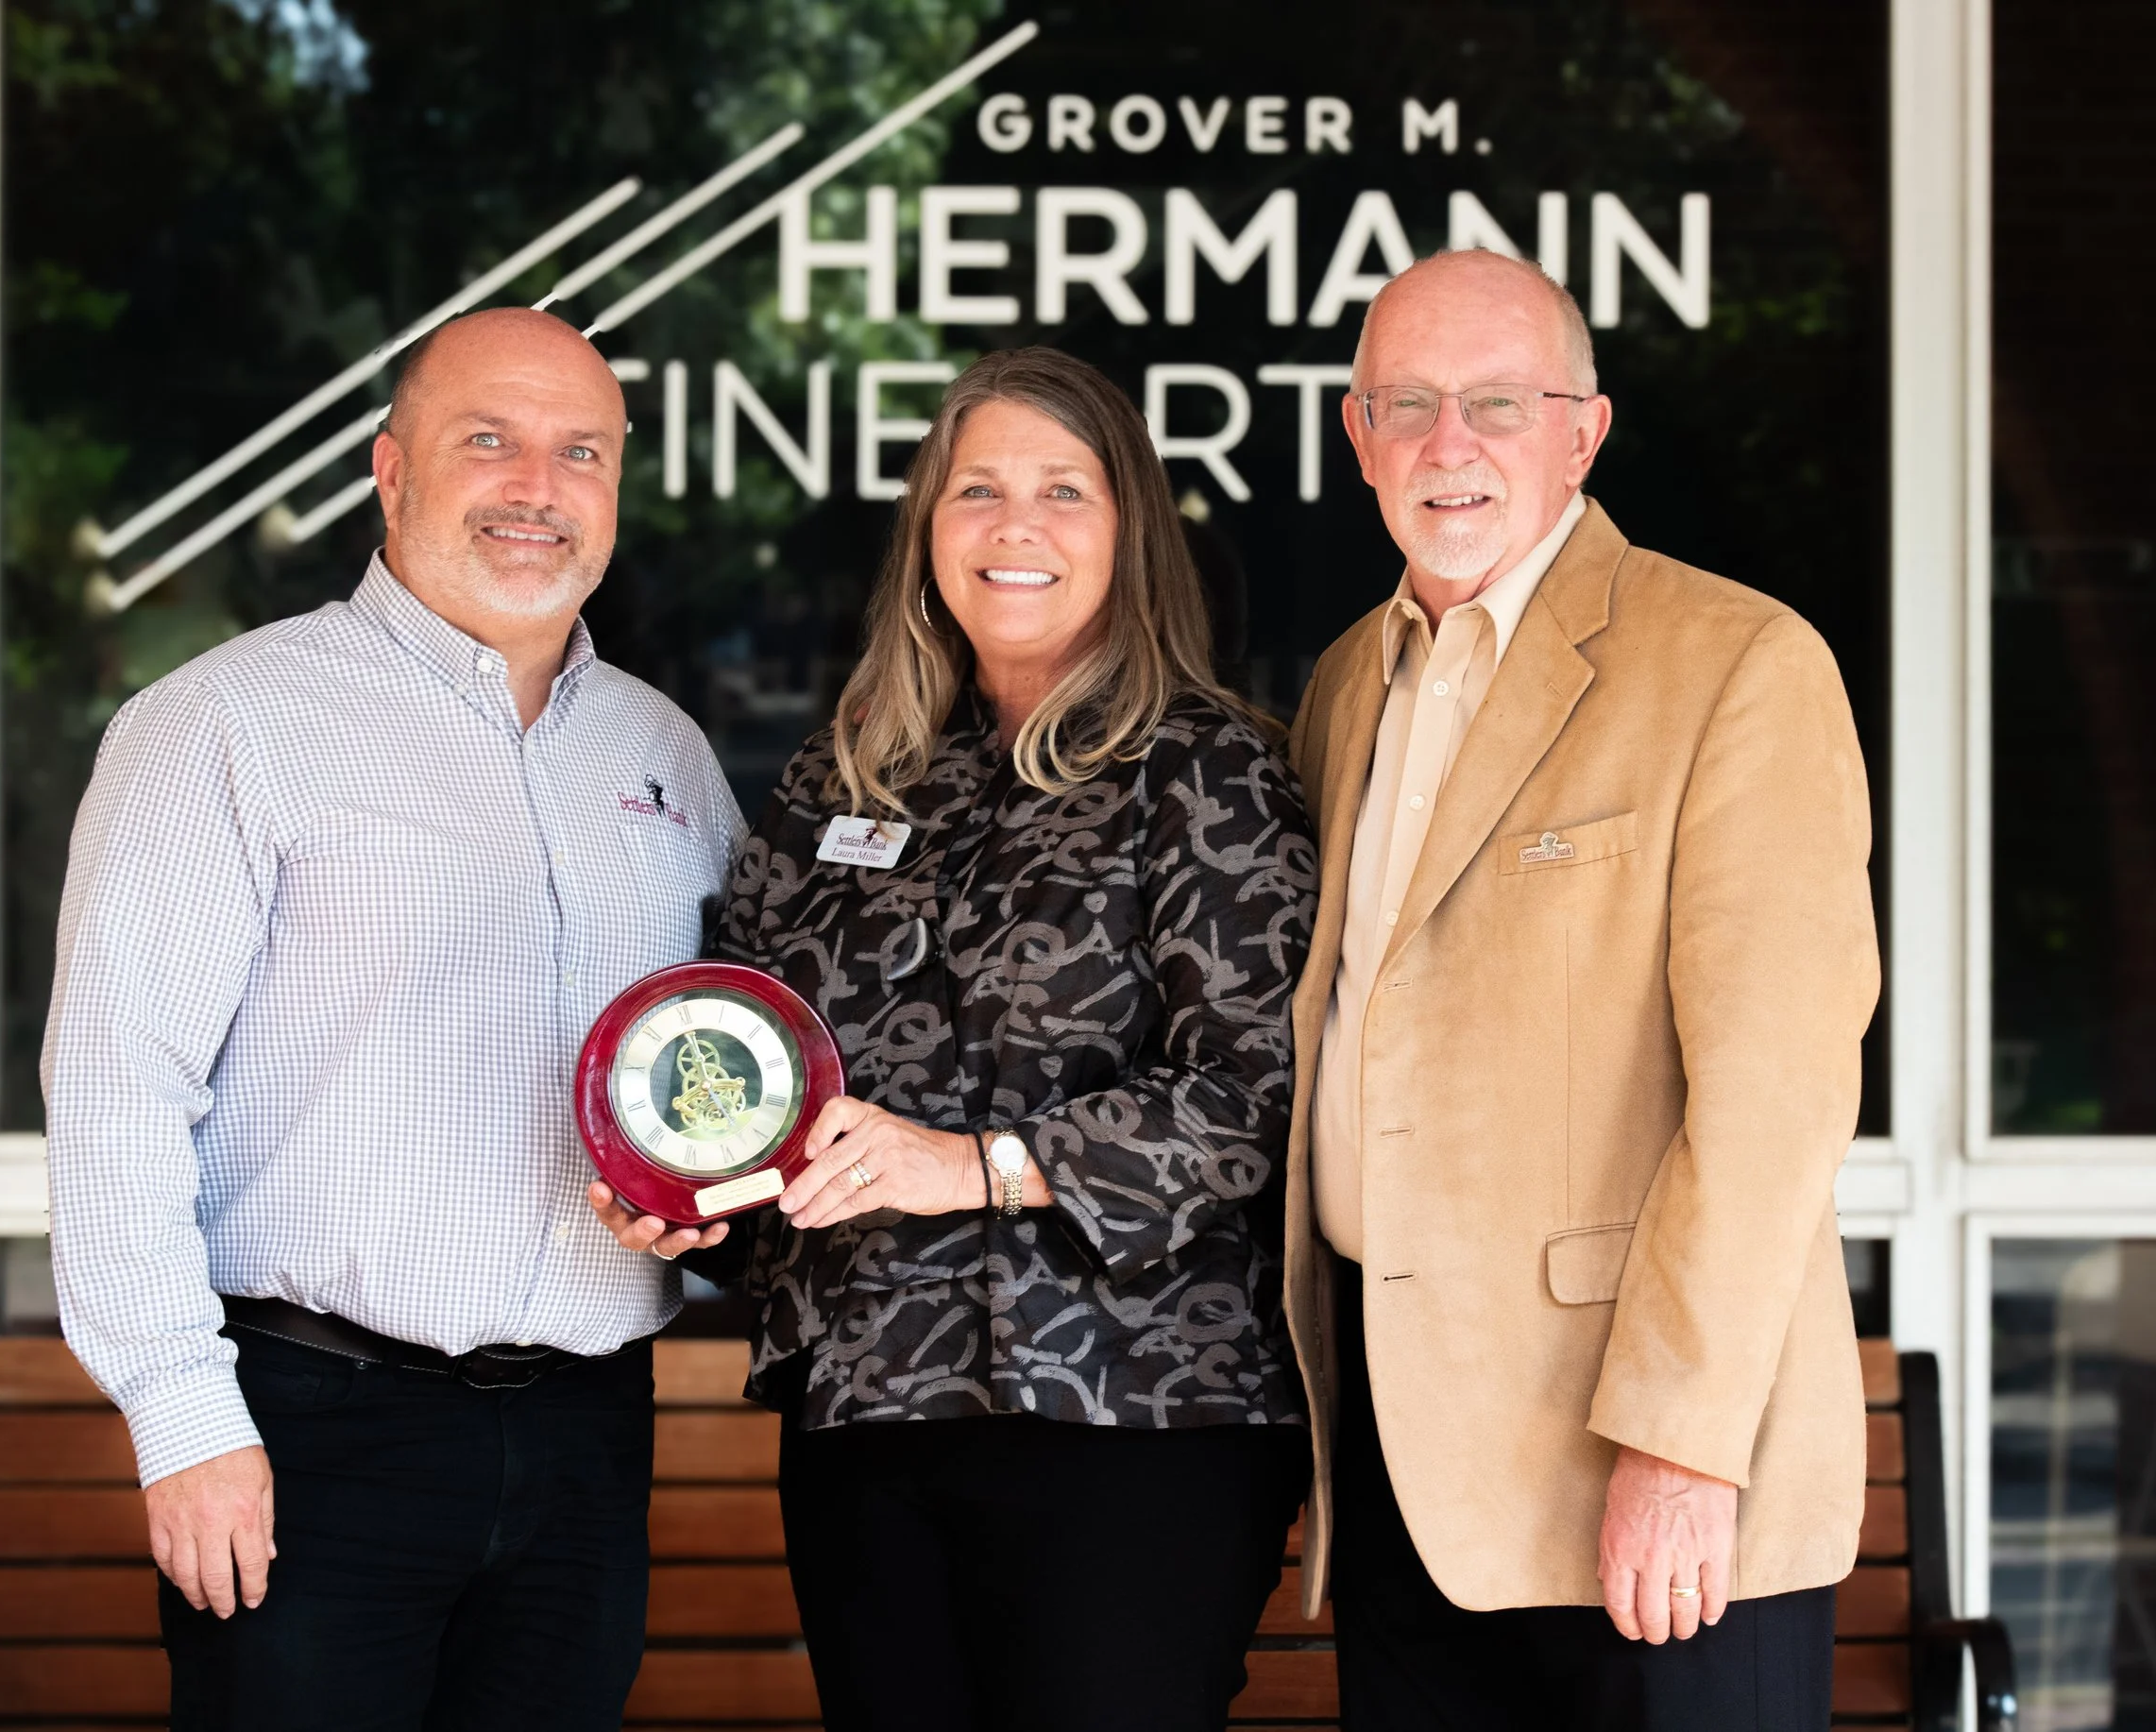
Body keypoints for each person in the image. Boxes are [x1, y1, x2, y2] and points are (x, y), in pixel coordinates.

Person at [590, 346, 1316, 1732]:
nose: (1015, 526)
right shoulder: (833, 784)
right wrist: (688, 1198)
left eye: (1063, 490)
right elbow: (754, 1086)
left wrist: (975, 1162)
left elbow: (1254, 1098)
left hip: (1135, 1413)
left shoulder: (1207, 770)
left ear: (1131, 531)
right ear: (929, 531)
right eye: (975, 488)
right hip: (870, 1408)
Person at [43, 307, 740, 1732]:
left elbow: (723, 1064)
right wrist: (185, 1420)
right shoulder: (227, 723)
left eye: (580, 451)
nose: (536, 486)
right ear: (390, 468)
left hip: (586, 1435)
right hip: (310, 1429)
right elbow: (116, 1087)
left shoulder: (664, 752)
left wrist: (716, 1205)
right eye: (489, 440)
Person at [1284, 249, 1880, 1730]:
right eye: (1406, 404)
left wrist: (1682, 1446)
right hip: (1409, 1475)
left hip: (1646, 1477)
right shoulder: (1347, 684)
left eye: (1498, 401)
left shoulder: (1736, 661)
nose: (1449, 443)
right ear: (1355, 437)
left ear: (1583, 431)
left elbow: (1774, 1098)